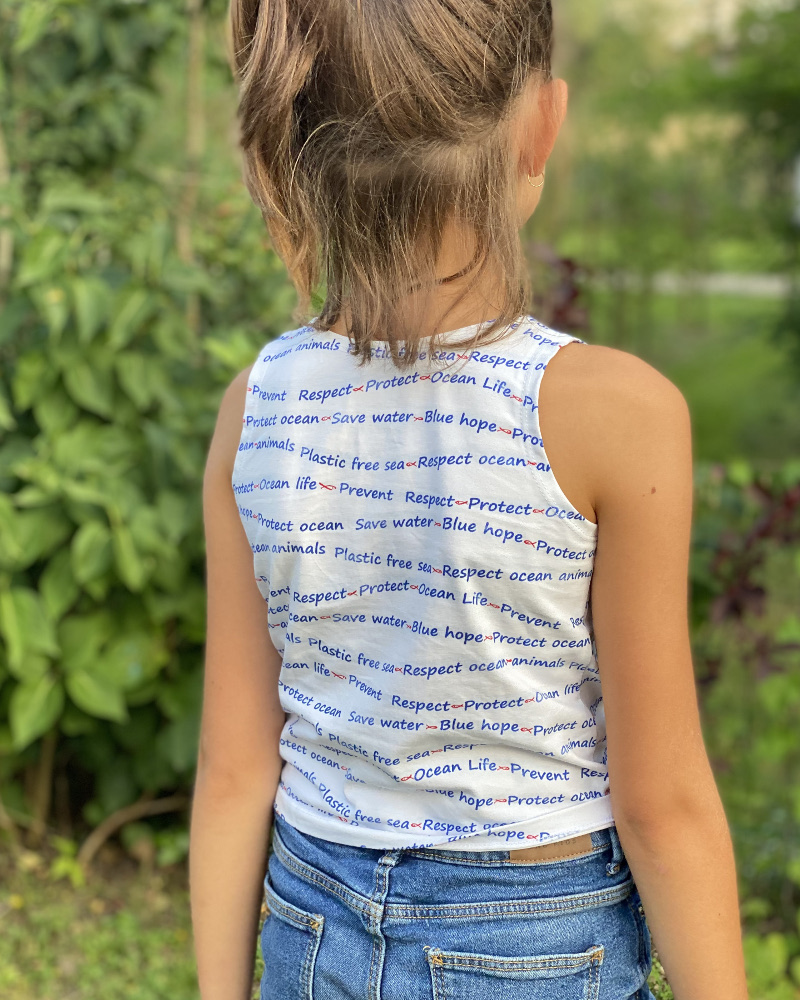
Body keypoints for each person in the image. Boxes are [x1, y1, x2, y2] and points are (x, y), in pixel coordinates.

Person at [189, 2, 749, 999]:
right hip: (532, 943)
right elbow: (659, 806)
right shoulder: (619, 416)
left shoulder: (256, 406)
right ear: (541, 125)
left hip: (310, 922)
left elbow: (234, 775)